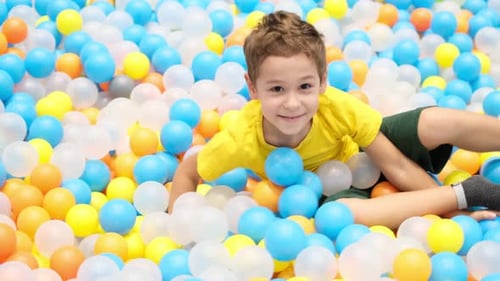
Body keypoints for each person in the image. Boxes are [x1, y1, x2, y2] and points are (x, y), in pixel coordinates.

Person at [168, 10, 500, 229]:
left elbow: (396, 166)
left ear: (323, 82)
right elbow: (188, 170)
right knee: (334, 218)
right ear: (252, 87)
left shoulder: (335, 107)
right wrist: (175, 228)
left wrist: (444, 213)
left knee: (434, 120)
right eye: (277, 89)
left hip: (366, 154)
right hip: (333, 190)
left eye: (305, 87)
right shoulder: (240, 138)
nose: (293, 102)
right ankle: (469, 191)